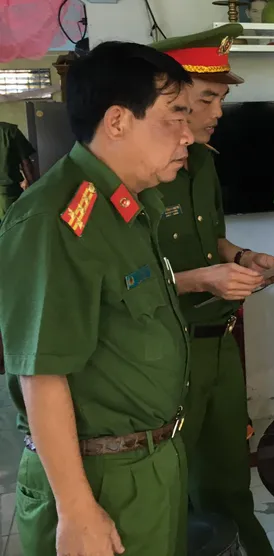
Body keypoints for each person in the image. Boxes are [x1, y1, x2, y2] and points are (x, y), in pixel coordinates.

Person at [0, 41, 194, 556]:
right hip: (98, 476)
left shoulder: (125, 208)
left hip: (150, 462)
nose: (189, 134)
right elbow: (41, 374)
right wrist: (77, 509)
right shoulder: (56, 219)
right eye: (175, 116)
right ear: (117, 121)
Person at [152, 24, 274, 556]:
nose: (218, 112)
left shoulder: (204, 161)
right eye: (207, 99)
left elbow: (212, 239)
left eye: (221, 99)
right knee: (173, 490)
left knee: (229, 478)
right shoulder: (140, 171)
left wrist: (242, 258)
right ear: (171, 97)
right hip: (169, 351)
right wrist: (203, 279)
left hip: (219, 341)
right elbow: (123, 279)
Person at [0, 121, 37, 221]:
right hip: (8, 194)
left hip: (7, 194)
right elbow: (26, 163)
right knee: (13, 225)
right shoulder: (10, 130)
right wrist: (33, 188)